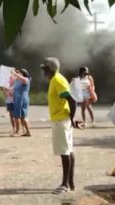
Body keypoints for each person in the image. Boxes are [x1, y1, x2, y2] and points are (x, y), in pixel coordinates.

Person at [41, 57, 77, 194]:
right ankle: (71, 183)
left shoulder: (57, 80)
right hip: (61, 119)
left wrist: (71, 118)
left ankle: (65, 184)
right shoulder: (55, 79)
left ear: (49, 69)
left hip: (61, 120)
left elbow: (72, 101)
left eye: (44, 68)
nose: (43, 71)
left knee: (64, 152)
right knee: (68, 150)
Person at [11, 69, 31, 137]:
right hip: (17, 99)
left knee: (19, 116)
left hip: (22, 99)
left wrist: (15, 73)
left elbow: (24, 80)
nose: (17, 73)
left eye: (19, 72)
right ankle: (27, 132)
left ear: (23, 73)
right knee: (21, 117)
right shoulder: (17, 81)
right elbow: (13, 90)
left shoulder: (26, 79)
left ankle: (17, 132)